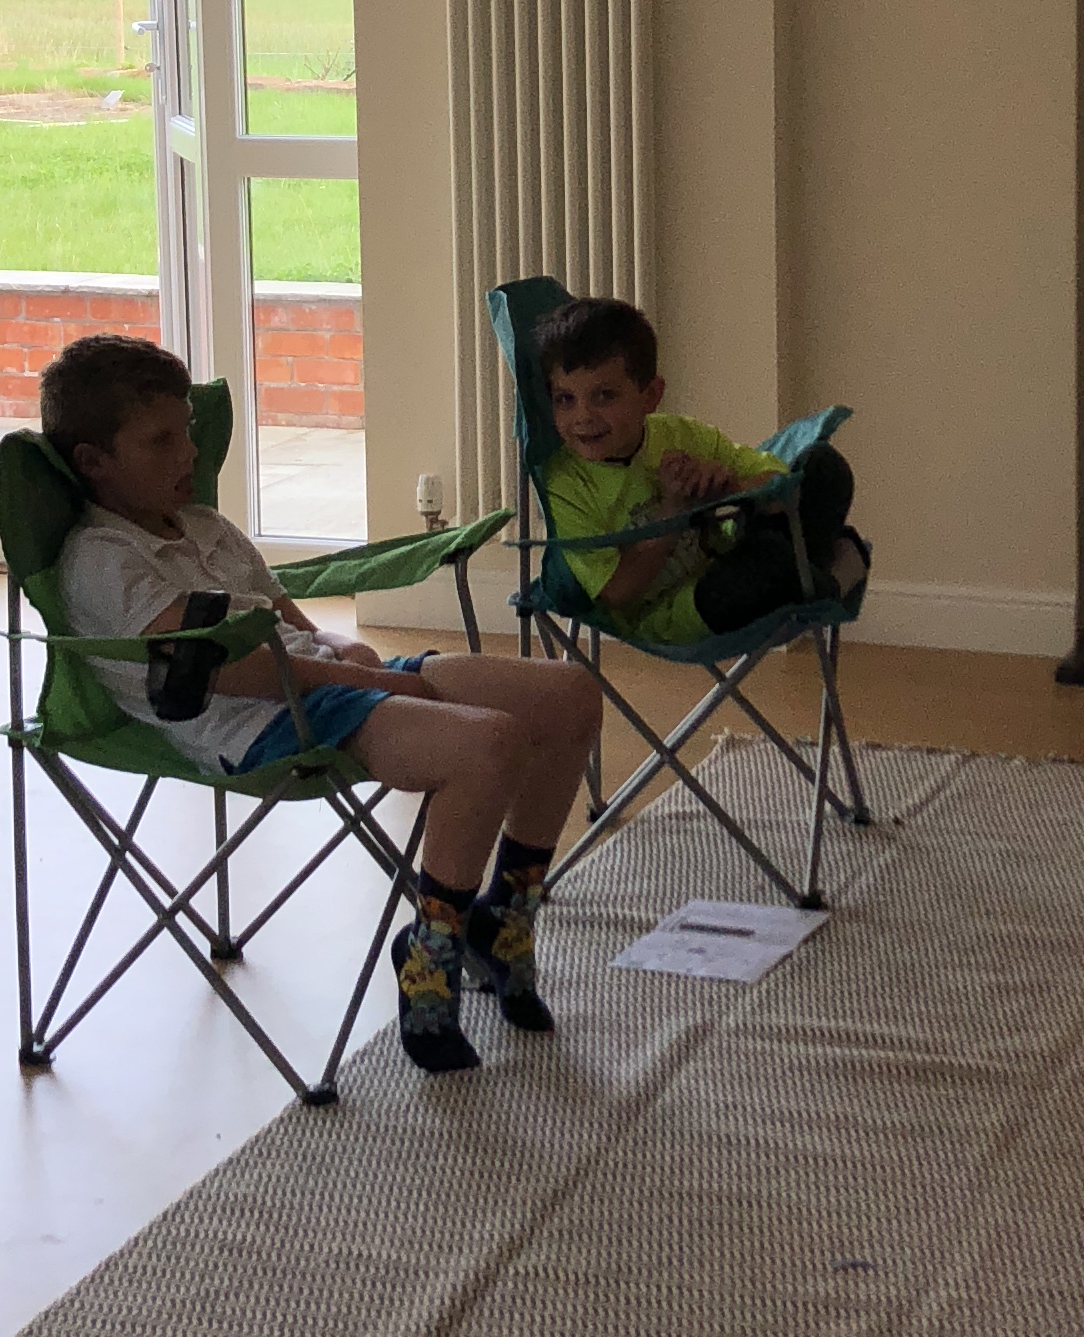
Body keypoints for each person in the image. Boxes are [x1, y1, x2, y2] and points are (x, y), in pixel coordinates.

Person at [42, 333, 600, 1077]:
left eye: (188, 432)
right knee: (487, 745)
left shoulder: (206, 527)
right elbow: (223, 672)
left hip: (323, 683)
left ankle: (503, 919)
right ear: (93, 461)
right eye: (161, 440)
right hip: (260, 722)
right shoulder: (102, 559)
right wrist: (370, 684)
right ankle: (431, 956)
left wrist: (348, 649)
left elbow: (292, 624)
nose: (189, 454)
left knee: (567, 695)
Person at [536, 296, 863, 646]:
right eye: (565, 399)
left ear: (650, 396)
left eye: (604, 396)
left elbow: (783, 488)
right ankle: (825, 582)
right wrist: (674, 510)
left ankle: (808, 577)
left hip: (731, 553)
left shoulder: (681, 435)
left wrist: (728, 489)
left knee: (821, 466)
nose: (583, 417)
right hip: (673, 612)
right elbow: (616, 593)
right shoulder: (564, 483)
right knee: (767, 563)